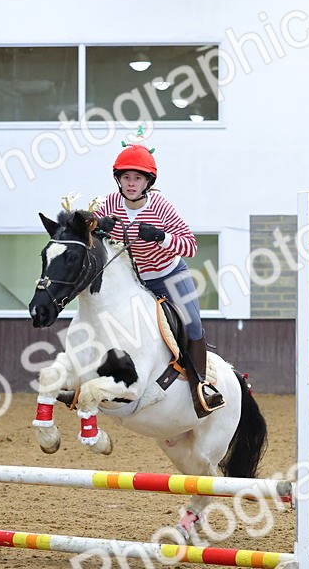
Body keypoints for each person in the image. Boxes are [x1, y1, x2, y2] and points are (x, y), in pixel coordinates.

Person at [95, 143, 224, 416]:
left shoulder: (162, 207)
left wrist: (160, 237)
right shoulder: (108, 204)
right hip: (135, 281)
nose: (131, 184)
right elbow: (85, 233)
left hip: (170, 276)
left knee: (192, 324)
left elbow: (190, 246)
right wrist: (96, 229)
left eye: (137, 178)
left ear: (148, 182)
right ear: (118, 179)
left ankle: (201, 388)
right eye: (126, 177)